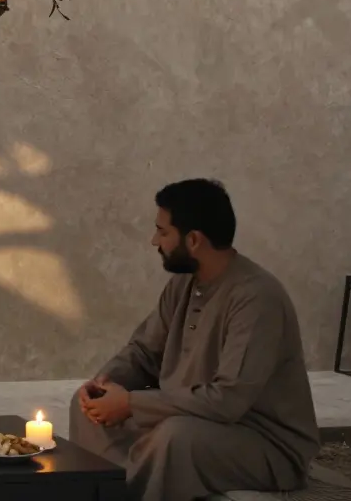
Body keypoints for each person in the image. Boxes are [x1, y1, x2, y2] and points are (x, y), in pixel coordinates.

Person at [69, 179, 320, 501]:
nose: (153, 241)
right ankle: (116, 490)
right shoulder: (183, 284)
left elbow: (227, 400)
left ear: (194, 240)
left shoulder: (256, 297)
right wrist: (105, 385)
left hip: (262, 441)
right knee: (86, 409)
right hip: (184, 419)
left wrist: (131, 403)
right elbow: (145, 351)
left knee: (175, 438)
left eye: (162, 232)